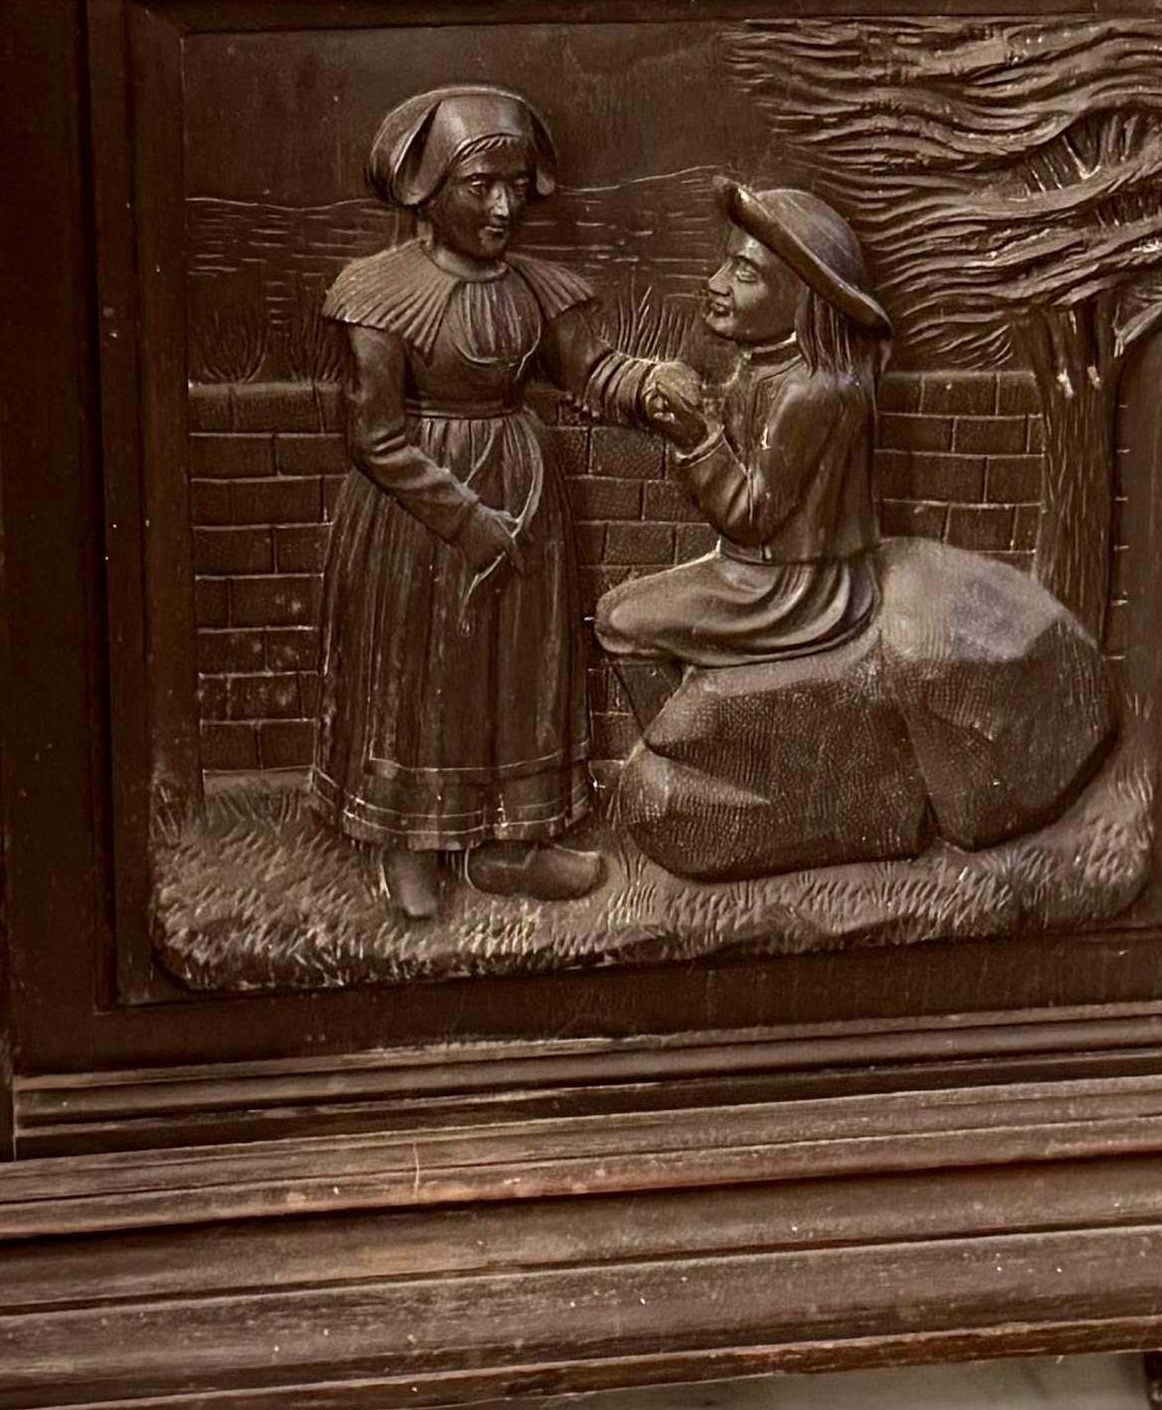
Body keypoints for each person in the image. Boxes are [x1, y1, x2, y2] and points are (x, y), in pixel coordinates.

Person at [312, 86, 697, 921]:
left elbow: (590, 369)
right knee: (424, 671)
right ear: (428, 188)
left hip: (524, 506)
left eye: (516, 186)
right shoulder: (377, 294)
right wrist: (466, 519)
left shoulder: (537, 288)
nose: (502, 206)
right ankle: (411, 840)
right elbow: (375, 438)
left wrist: (651, 385)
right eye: (479, 186)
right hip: (417, 517)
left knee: (516, 669)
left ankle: (508, 846)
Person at [596, 182, 887, 683]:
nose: (716, 281)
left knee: (619, 621)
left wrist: (699, 438)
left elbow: (750, 518)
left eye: (745, 273)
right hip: (753, 572)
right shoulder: (761, 370)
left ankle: (675, 746)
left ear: (802, 297)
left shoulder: (813, 391)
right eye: (726, 262)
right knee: (620, 614)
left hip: (794, 589)